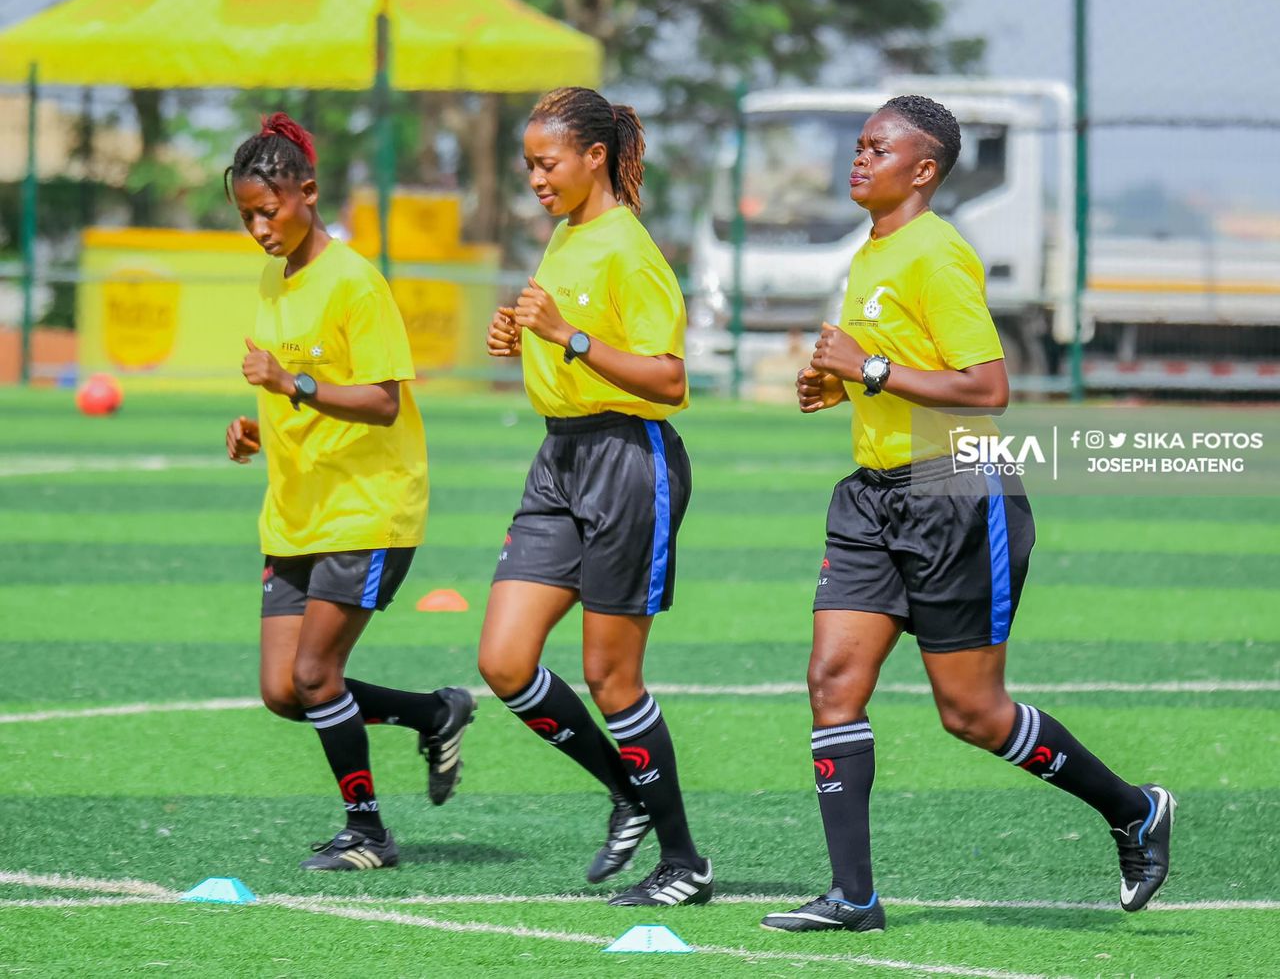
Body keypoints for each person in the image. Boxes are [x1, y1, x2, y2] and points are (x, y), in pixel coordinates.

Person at [761, 95, 1174, 933]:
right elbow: (894, 365)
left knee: (973, 715)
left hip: (956, 491)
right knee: (832, 684)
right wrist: (837, 381)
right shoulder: (871, 251)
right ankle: (854, 898)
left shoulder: (937, 254)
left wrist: (868, 367)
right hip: (872, 496)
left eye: (879, 148)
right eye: (859, 145)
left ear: (924, 170)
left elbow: (988, 390)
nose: (859, 157)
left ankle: (1133, 810)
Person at [223, 112, 475, 872]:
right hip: (296, 510)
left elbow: (383, 400)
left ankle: (366, 831)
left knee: (314, 675)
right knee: (282, 690)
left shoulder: (355, 282)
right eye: (246, 217)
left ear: (308, 192)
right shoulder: (274, 277)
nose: (260, 229)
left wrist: (290, 381)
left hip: (368, 507)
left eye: (269, 211)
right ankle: (436, 712)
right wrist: (257, 428)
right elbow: (293, 392)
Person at [479, 86, 712, 906]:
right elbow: (565, 346)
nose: (536, 179)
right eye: (529, 166)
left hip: (627, 461)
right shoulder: (567, 233)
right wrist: (523, 340)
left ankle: (684, 861)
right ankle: (626, 793)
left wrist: (565, 336)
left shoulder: (629, 248)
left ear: (594, 158)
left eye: (547, 164)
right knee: (504, 661)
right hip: (559, 460)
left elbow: (671, 380)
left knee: (612, 678)